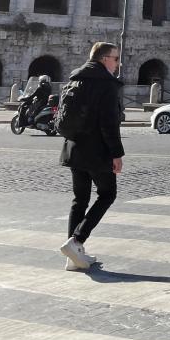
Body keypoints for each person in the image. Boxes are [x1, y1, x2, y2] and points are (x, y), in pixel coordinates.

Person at [59, 42, 125, 271]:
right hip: (97, 151)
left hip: (74, 147)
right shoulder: (107, 84)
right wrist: (117, 154)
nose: (118, 64)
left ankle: (73, 257)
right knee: (108, 194)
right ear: (104, 59)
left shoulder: (75, 79)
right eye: (116, 59)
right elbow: (109, 124)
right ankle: (77, 241)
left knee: (80, 200)